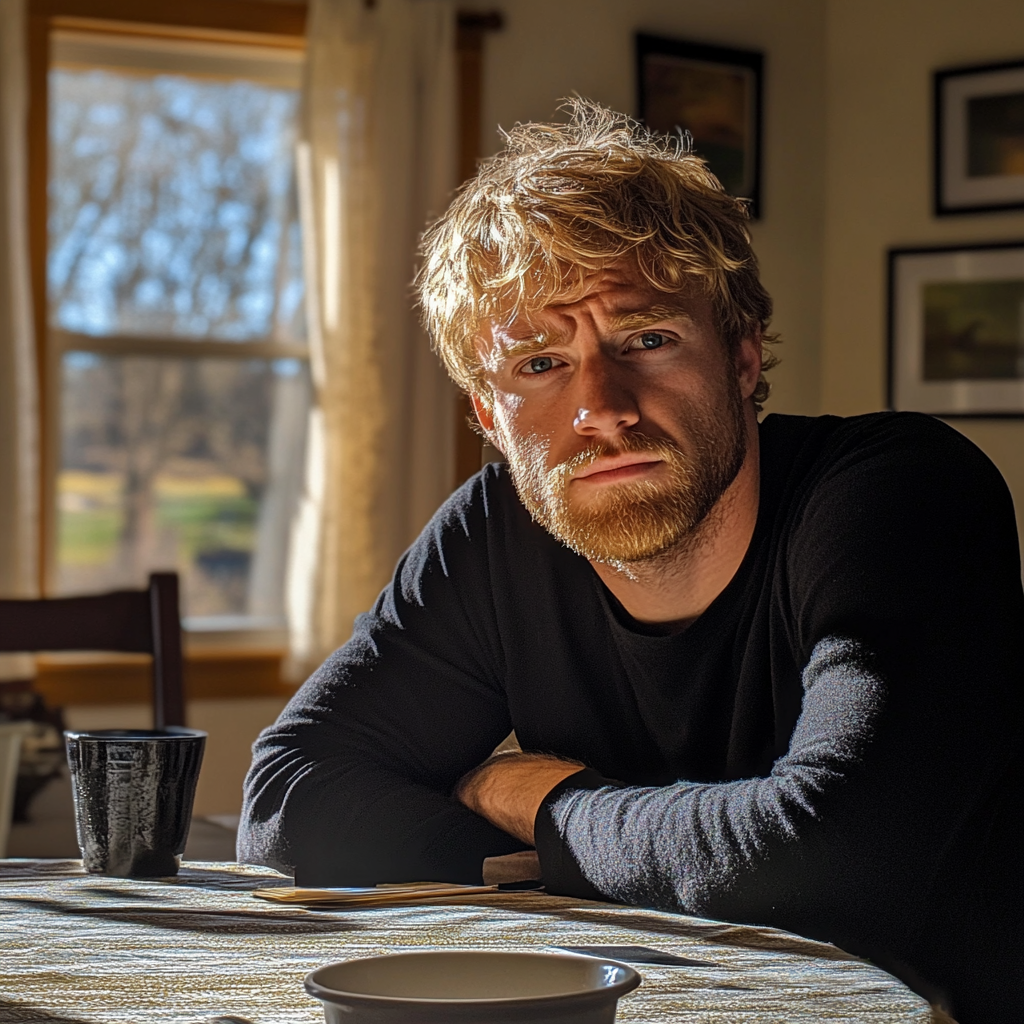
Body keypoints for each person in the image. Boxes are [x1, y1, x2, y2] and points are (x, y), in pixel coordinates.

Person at [239, 101, 1022, 1023]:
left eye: (646, 340)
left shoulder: (897, 494)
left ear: (739, 355)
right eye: (538, 365)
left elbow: (842, 856)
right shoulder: (494, 535)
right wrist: (552, 845)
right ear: (488, 415)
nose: (600, 408)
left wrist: (544, 803)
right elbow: (289, 803)